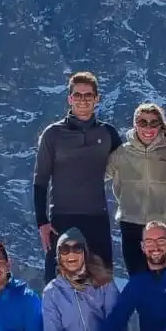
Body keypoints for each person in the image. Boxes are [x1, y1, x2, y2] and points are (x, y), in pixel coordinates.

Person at [34, 71, 123, 282]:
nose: (83, 100)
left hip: (97, 219)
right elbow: (40, 179)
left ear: (97, 98)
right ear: (70, 98)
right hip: (62, 220)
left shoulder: (108, 133)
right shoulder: (52, 134)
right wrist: (42, 222)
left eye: (88, 95)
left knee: (101, 282)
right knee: (57, 283)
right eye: (78, 95)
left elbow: (127, 168)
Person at [107, 102, 166, 274]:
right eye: (143, 122)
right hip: (132, 224)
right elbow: (98, 174)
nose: (148, 127)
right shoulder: (122, 153)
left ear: (160, 125)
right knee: (138, 279)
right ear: (135, 124)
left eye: (153, 123)